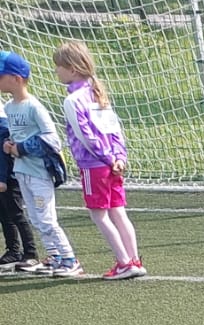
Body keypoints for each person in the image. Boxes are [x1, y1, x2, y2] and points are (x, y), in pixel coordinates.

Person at [54, 41, 144, 280]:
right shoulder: (97, 93)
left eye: (58, 66)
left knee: (99, 215)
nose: (56, 71)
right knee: (118, 212)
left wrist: (108, 158)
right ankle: (134, 260)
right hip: (111, 164)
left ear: (72, 69)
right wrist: (119, 157)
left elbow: (86, 136)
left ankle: (124, 262)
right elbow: (115, 131)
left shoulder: (73, 101)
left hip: (93, 165)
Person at [0, 51, 81, 279]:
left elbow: (52, 139)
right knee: (36, 218)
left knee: (46, 219)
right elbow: (17, 135)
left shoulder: (34, 107)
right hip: (22, 171)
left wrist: (22, 148)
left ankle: (70, 259)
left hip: (38, 172)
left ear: (16, 78)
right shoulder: (9, 107)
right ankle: (54, 256)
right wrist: (9, 144)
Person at [0, 123, 41, 273]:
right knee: (5, 216)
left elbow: (3, 157)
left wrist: (2, 179)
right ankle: (13, 251)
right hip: (4, 179)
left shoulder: (3, 128)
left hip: (9, 179)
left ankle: (31, 253)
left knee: (17, 215)